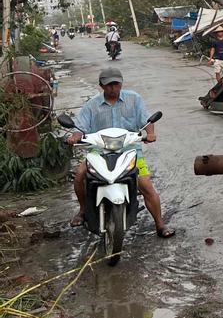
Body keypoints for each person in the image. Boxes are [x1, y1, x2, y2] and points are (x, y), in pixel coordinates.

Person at [67, 68, 174, 238]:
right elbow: (80, 127)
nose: (113, 88)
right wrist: (75, 137)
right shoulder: (92, 105)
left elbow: (146, 121)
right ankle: (82, 210)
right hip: (99, 151)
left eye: (116, 84)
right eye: (109, 85)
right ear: (101, 86)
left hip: (130, 150)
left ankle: (160, 224)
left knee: (145, 185)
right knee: (80, 174)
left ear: (121, 83)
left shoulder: (134, 99)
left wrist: (150, 133)